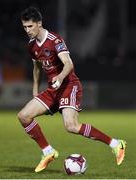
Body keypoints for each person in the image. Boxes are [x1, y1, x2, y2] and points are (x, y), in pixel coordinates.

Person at [18, 6, 126, 173]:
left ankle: (116, 144)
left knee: (71, 126)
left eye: (30, 26)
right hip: (53, 89)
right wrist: (35, 90)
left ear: (39, 23)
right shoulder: (32, 45)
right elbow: (37, 68)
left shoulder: (55, 40)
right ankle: (48, 152)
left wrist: (60, 78)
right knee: (24, 116)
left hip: (68, 85)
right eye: (24, 27)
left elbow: (69, 64)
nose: (27, 30)